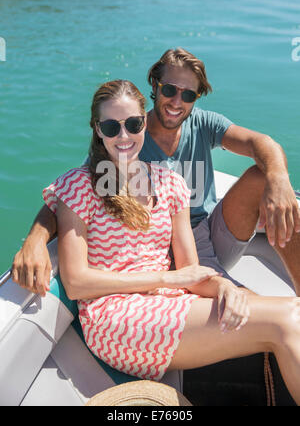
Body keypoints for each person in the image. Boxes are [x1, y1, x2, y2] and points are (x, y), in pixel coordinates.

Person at [38, 79, 300, 404]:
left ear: (144, 123)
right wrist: (167, 278)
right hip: (115, 319)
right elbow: (77, 283)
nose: (123, 136)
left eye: (132, 124)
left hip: (168, 301)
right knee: (288, 320)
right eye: (111, 126)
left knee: (293, 313)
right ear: (97, 129)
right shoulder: (79, 186)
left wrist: (223, 288)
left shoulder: (170, 183)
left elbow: (190, 270)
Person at [12, 48, 300, 296]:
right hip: (163, 246)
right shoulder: (127, 138)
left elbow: (259, 143)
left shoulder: (203, 123)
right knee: (242, 301)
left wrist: (279, 179)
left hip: (209, 231)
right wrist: (35, 239)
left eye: (188, 94)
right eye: (169, 90)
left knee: (267, 181)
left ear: (197, 97)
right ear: (155, 85)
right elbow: (77, 191)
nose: (177, 102)